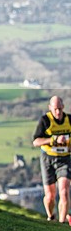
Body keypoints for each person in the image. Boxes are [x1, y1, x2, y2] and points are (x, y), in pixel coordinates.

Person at [32, 96, 71, 224]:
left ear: (63, 107)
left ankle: (61, 223)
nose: (58, 112)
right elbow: (36, 141)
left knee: (64, 191)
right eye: (55, 109)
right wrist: (53, 140)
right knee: (50, 195)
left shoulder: (69, 120)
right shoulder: (45, 121)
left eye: (60, 109)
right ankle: (50, 216)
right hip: (48, 158)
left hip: (65, 159)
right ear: (50, 108)